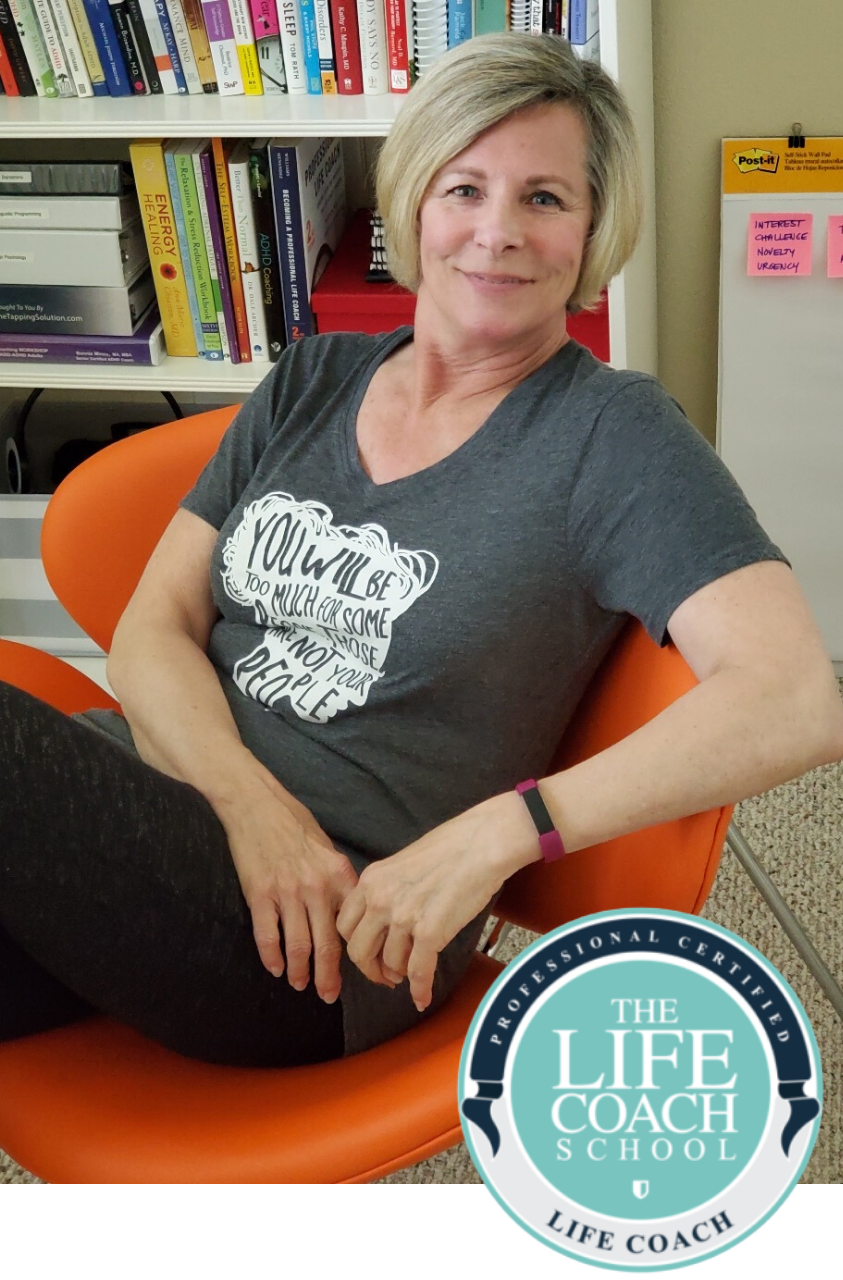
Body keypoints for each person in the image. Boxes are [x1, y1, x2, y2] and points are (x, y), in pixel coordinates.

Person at [1, 33, 841, 1068]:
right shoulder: (311, 379)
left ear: (592, 229)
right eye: (464, 188)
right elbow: (151, 631)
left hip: (331, 933)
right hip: (137, 807)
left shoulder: (612, 435)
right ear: (412, 204)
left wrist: (505, 830)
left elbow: (794, 697)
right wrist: (255, 812)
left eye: (544, 198)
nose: (497, 232)